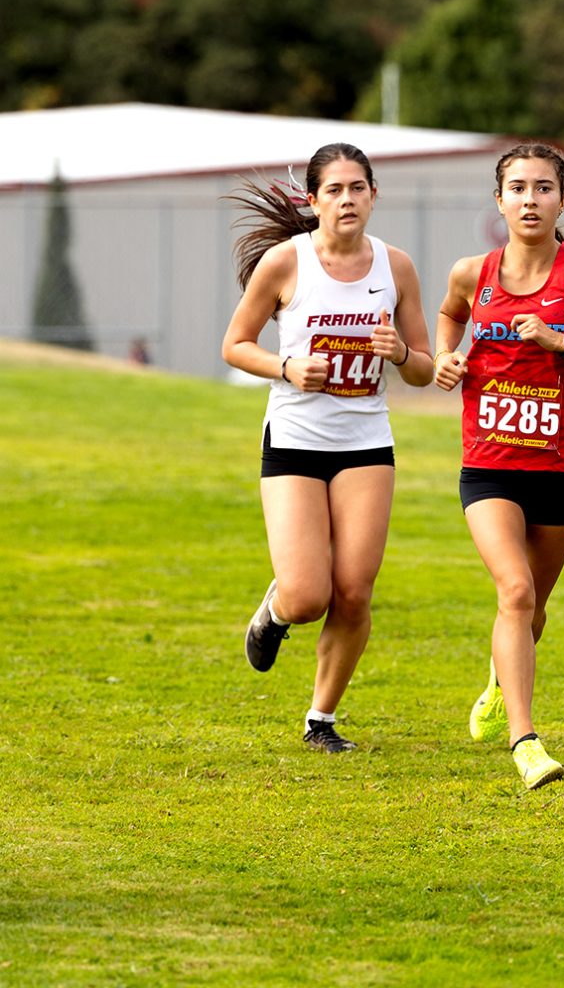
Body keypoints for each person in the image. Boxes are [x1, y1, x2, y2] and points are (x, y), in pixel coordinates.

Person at [434, 142, 564, 789]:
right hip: (489, 464)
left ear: (561, 199)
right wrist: (446, 355)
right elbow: (448, 315)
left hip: (560, 466)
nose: (530, 199)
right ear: (498, 201)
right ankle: (526, 742)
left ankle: (501, 676)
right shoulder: (473, 272)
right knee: (515, 591)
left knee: (534, 608)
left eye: (543, 188)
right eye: (518, 188)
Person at [222, 142, 433, 755]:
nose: (347, 200)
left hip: (366, 442)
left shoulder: (397, 267)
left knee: (355, 590)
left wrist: (398, 354)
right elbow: (235, 344)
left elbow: (423, 368)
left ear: (374, 196)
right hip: (294, 442)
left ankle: (321, 719)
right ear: (313, 201)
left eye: (357, 188)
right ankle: (276, 611)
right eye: (335, 190)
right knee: (309, 594)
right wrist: (287, 368)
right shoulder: (285, 264)